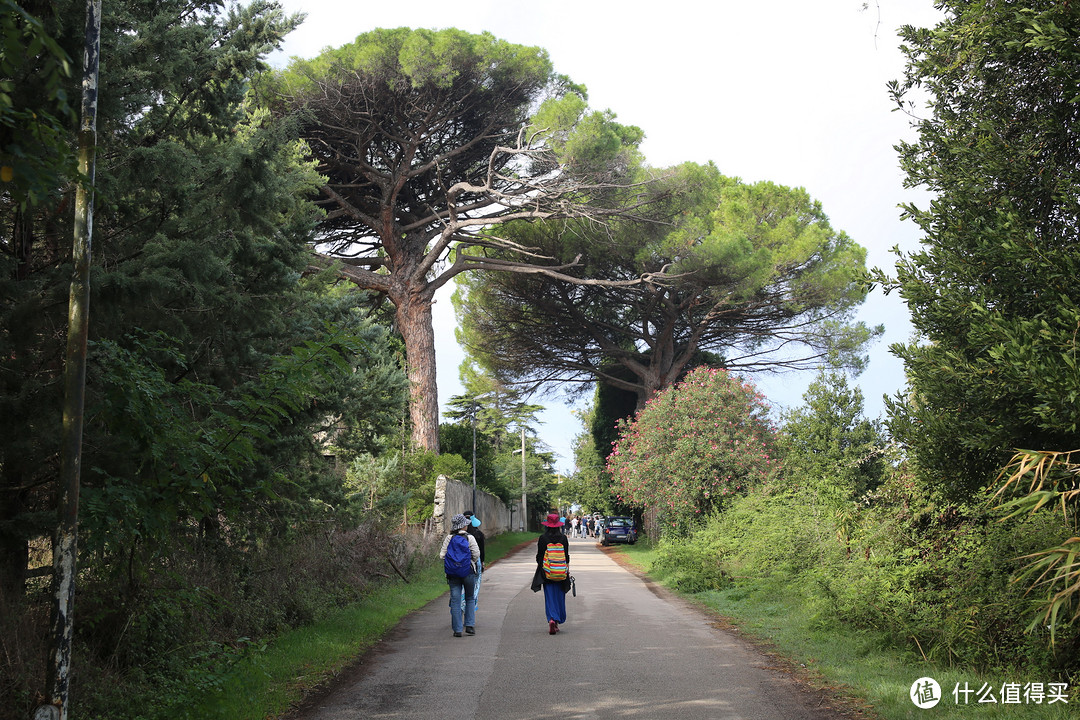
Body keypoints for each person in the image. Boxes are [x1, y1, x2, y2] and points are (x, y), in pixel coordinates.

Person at [439, 513, 480, 637]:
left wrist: (453, 562)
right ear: (464, 526)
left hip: (453, 574)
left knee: (456, 600)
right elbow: (476, 554)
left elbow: (442, 555)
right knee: (469, 598)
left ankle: (457, 630)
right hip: (468, 572)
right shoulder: (470, 538)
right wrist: (469, 561)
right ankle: (469, 626)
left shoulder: (449, 538)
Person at [535, 512, 570, 635]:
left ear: (548, 525)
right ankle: (557, 620)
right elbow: (566, 556)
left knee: (549, 596)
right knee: (560, 596)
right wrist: (566, 569)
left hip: (547, 572)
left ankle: (551, 619)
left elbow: (539, 556)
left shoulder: (543, 538)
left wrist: (542, 567)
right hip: (560, 573)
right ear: (558, 526)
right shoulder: (563, 538)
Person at [461, 511, 485, 613]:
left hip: (461, 563)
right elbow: (481, 552)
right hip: (475, 562)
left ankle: (461, 605)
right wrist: (481, 562)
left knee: (461, 586)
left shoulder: (457, 535)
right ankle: (471, 607)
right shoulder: (478, 535)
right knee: (474, 586)